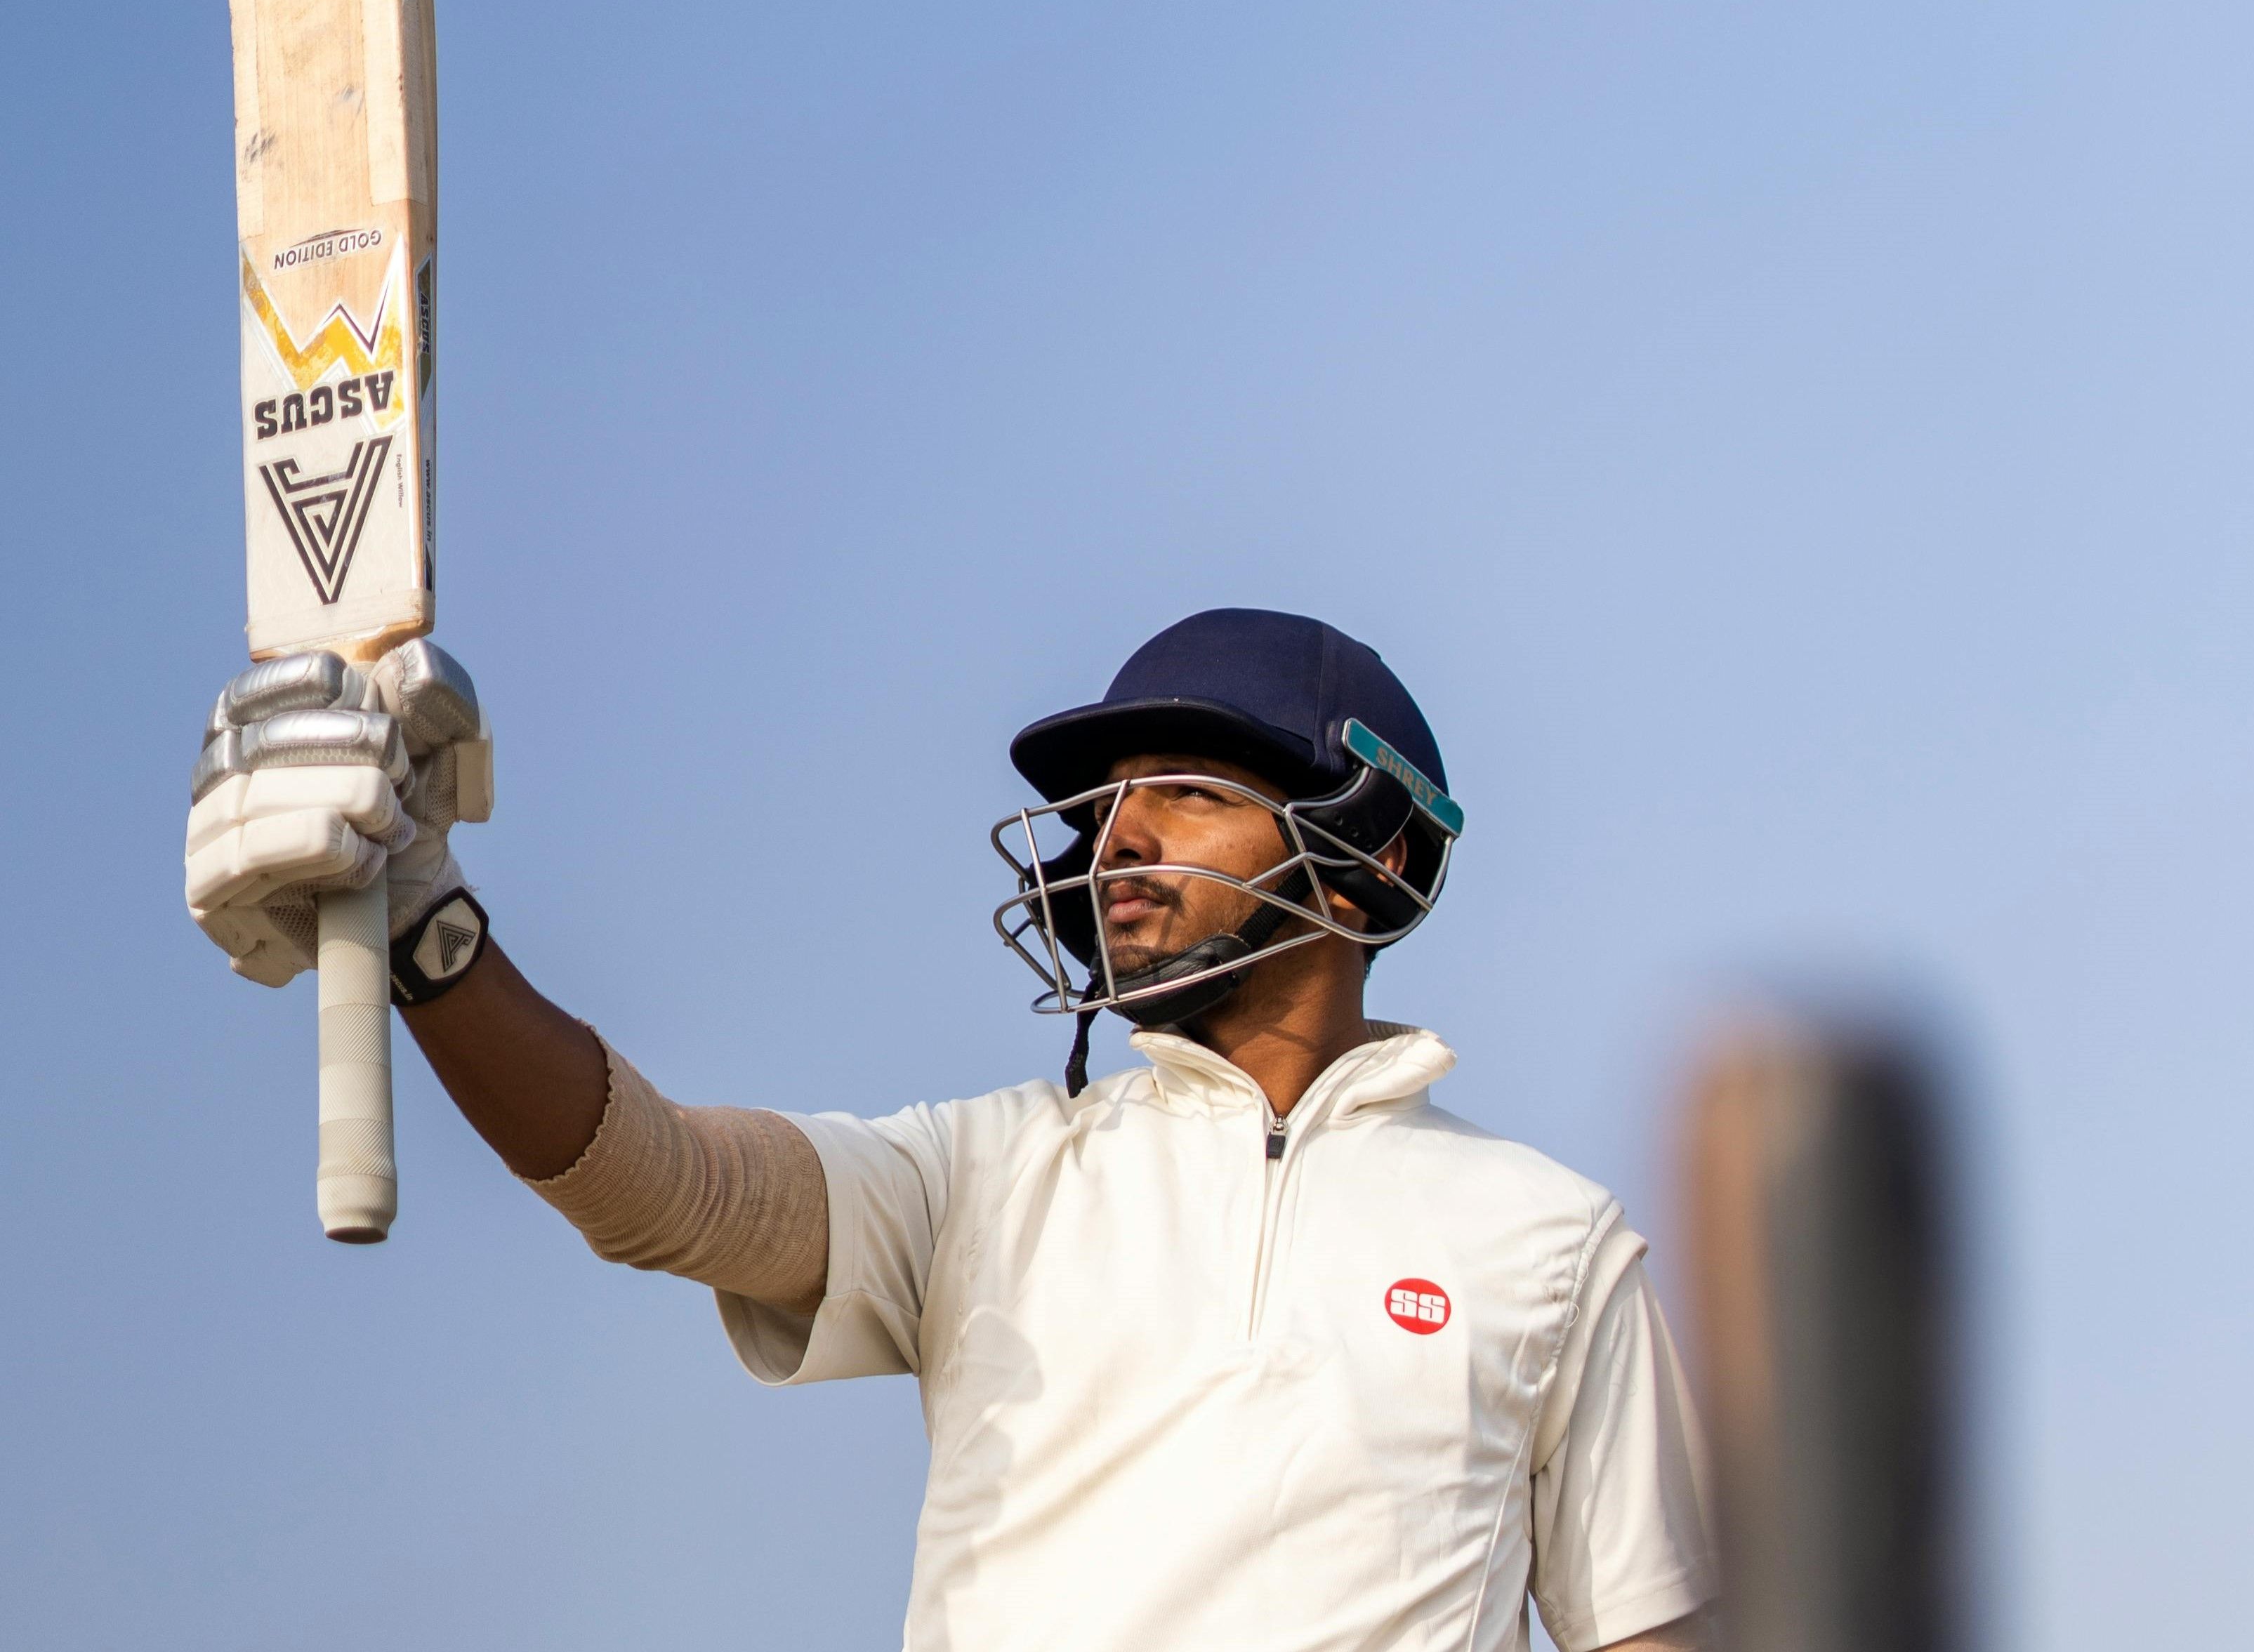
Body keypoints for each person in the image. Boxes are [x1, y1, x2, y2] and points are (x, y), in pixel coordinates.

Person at [185, 608, 1715, 1652]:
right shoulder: (990, 1176)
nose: (1113, 839)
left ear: (1363, 859)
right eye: (1106, 808)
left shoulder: (1543, 1240)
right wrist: (429, 932)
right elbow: (661, 1188)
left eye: (1184, 793)